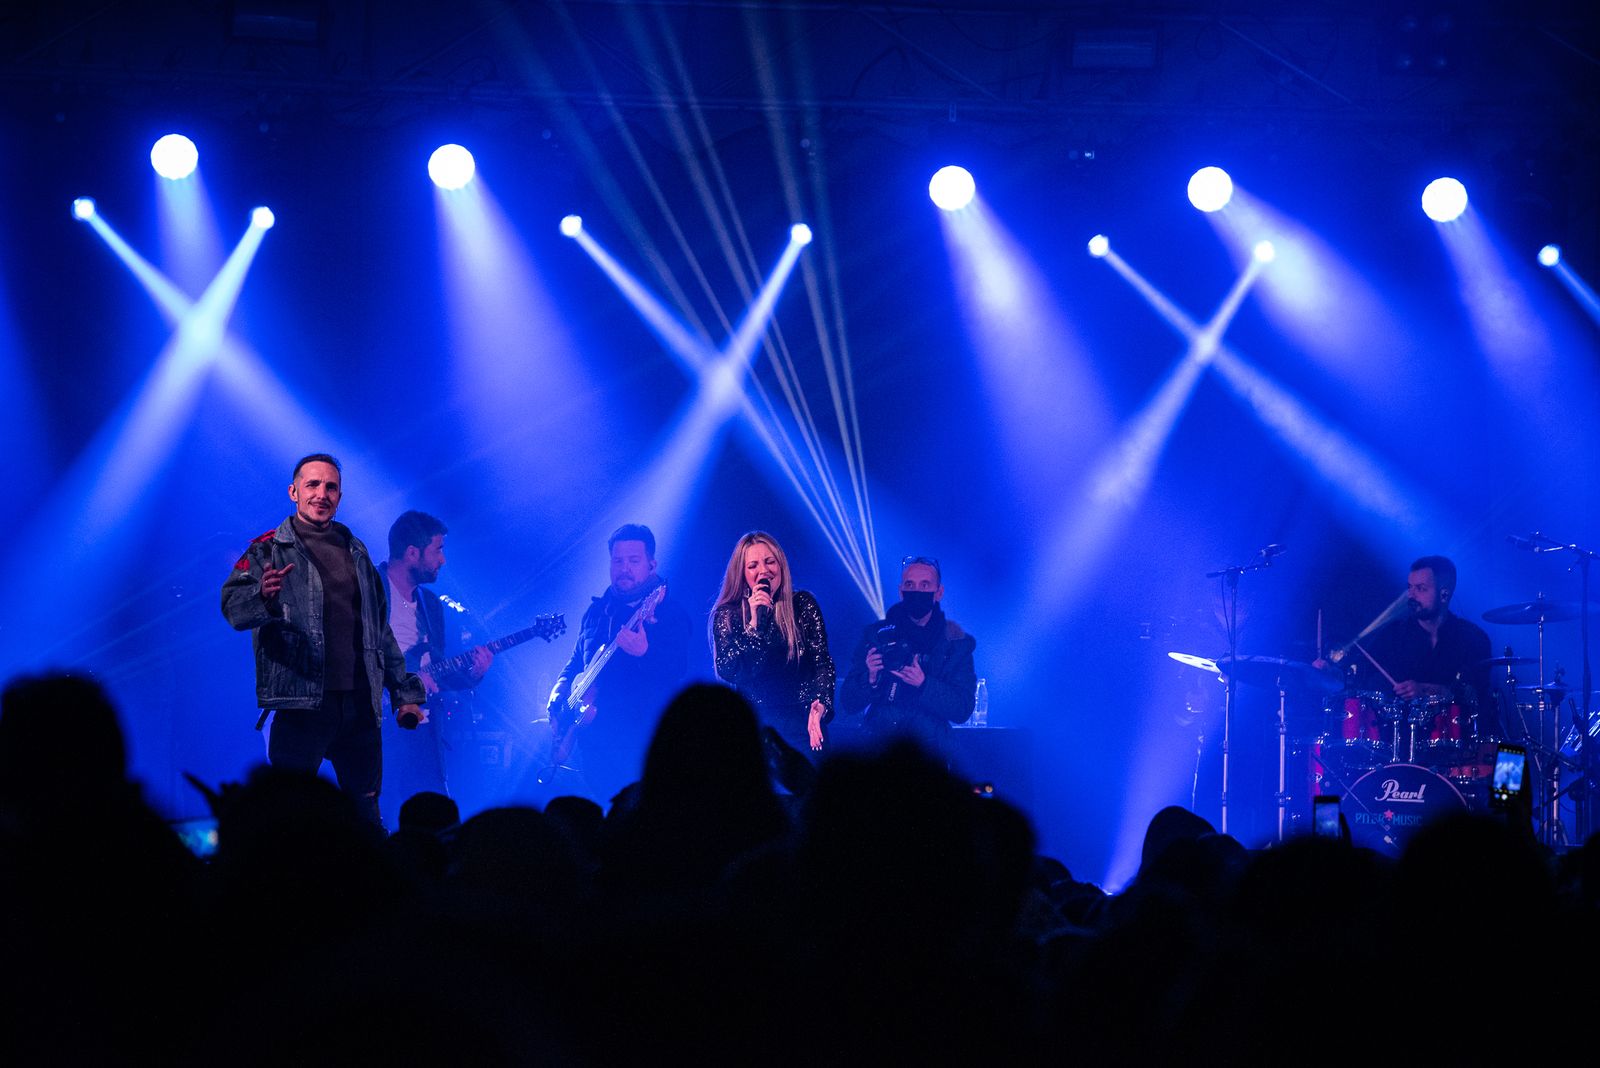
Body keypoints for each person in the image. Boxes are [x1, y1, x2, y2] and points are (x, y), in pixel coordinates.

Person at [220, 452, 425, 828]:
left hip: (360, 706)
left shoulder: (356, 550)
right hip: (301, 705)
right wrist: (262, 598)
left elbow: (379, 631)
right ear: (294, 492)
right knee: (288, 817)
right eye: (312, 484)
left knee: (366, 816)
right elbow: (233, 610)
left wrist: (404, 693)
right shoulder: (266, 549)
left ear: (340, 497)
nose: (321, 493)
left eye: (331, 487)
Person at [543, 523, 693, 806]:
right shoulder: (596, 611)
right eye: (618, 561)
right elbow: (575, 663)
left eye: (633, 561)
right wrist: (557, 697)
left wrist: (645, 653)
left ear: (651, 565)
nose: (624, 568)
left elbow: (678, 670)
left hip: (641, 746)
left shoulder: (669, 613)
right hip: (592, 748)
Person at [377, 510, 493, 828]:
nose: (442, 560)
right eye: (437, 550)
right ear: (412, 553)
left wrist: (473, 674)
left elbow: (437, 670)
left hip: (424, 727)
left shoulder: (430, 604)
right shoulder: (368, 592)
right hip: (377, 726)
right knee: (382, 812)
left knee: (434, 816)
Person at [838, 555, 977, 764]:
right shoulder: (877, 635)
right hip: (879, 750)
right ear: (901, 591)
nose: (917, 591)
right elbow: (848, 703)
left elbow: (962, 709)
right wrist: (870, 678)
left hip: (930, 756)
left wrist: (923, 684)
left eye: (925, 585)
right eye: (910, 585)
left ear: (938, 592)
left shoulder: (956, 643)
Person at [710, 530, 835, 759]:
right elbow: (730, 669)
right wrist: (755, 626)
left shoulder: (802, 605)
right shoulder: (729, 615)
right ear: (742, 573)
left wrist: (821, 703)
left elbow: (822, 661)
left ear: (781, 566)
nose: (764, 571)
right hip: (754, 724)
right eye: (753, 566)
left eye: (770, 562)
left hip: (803, 722)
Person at [1352, 554, 1497, 738]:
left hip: (1458, 741)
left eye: (1421, 588)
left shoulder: (1473, 638)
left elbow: (1475, 694)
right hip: (1401, 741)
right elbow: (1358, 674)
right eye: (1410, 587)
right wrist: (1333, 672)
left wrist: (1426, 690)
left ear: (1444, 594)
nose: (1411, 595)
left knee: (1505, 753)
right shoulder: (1393, 634)